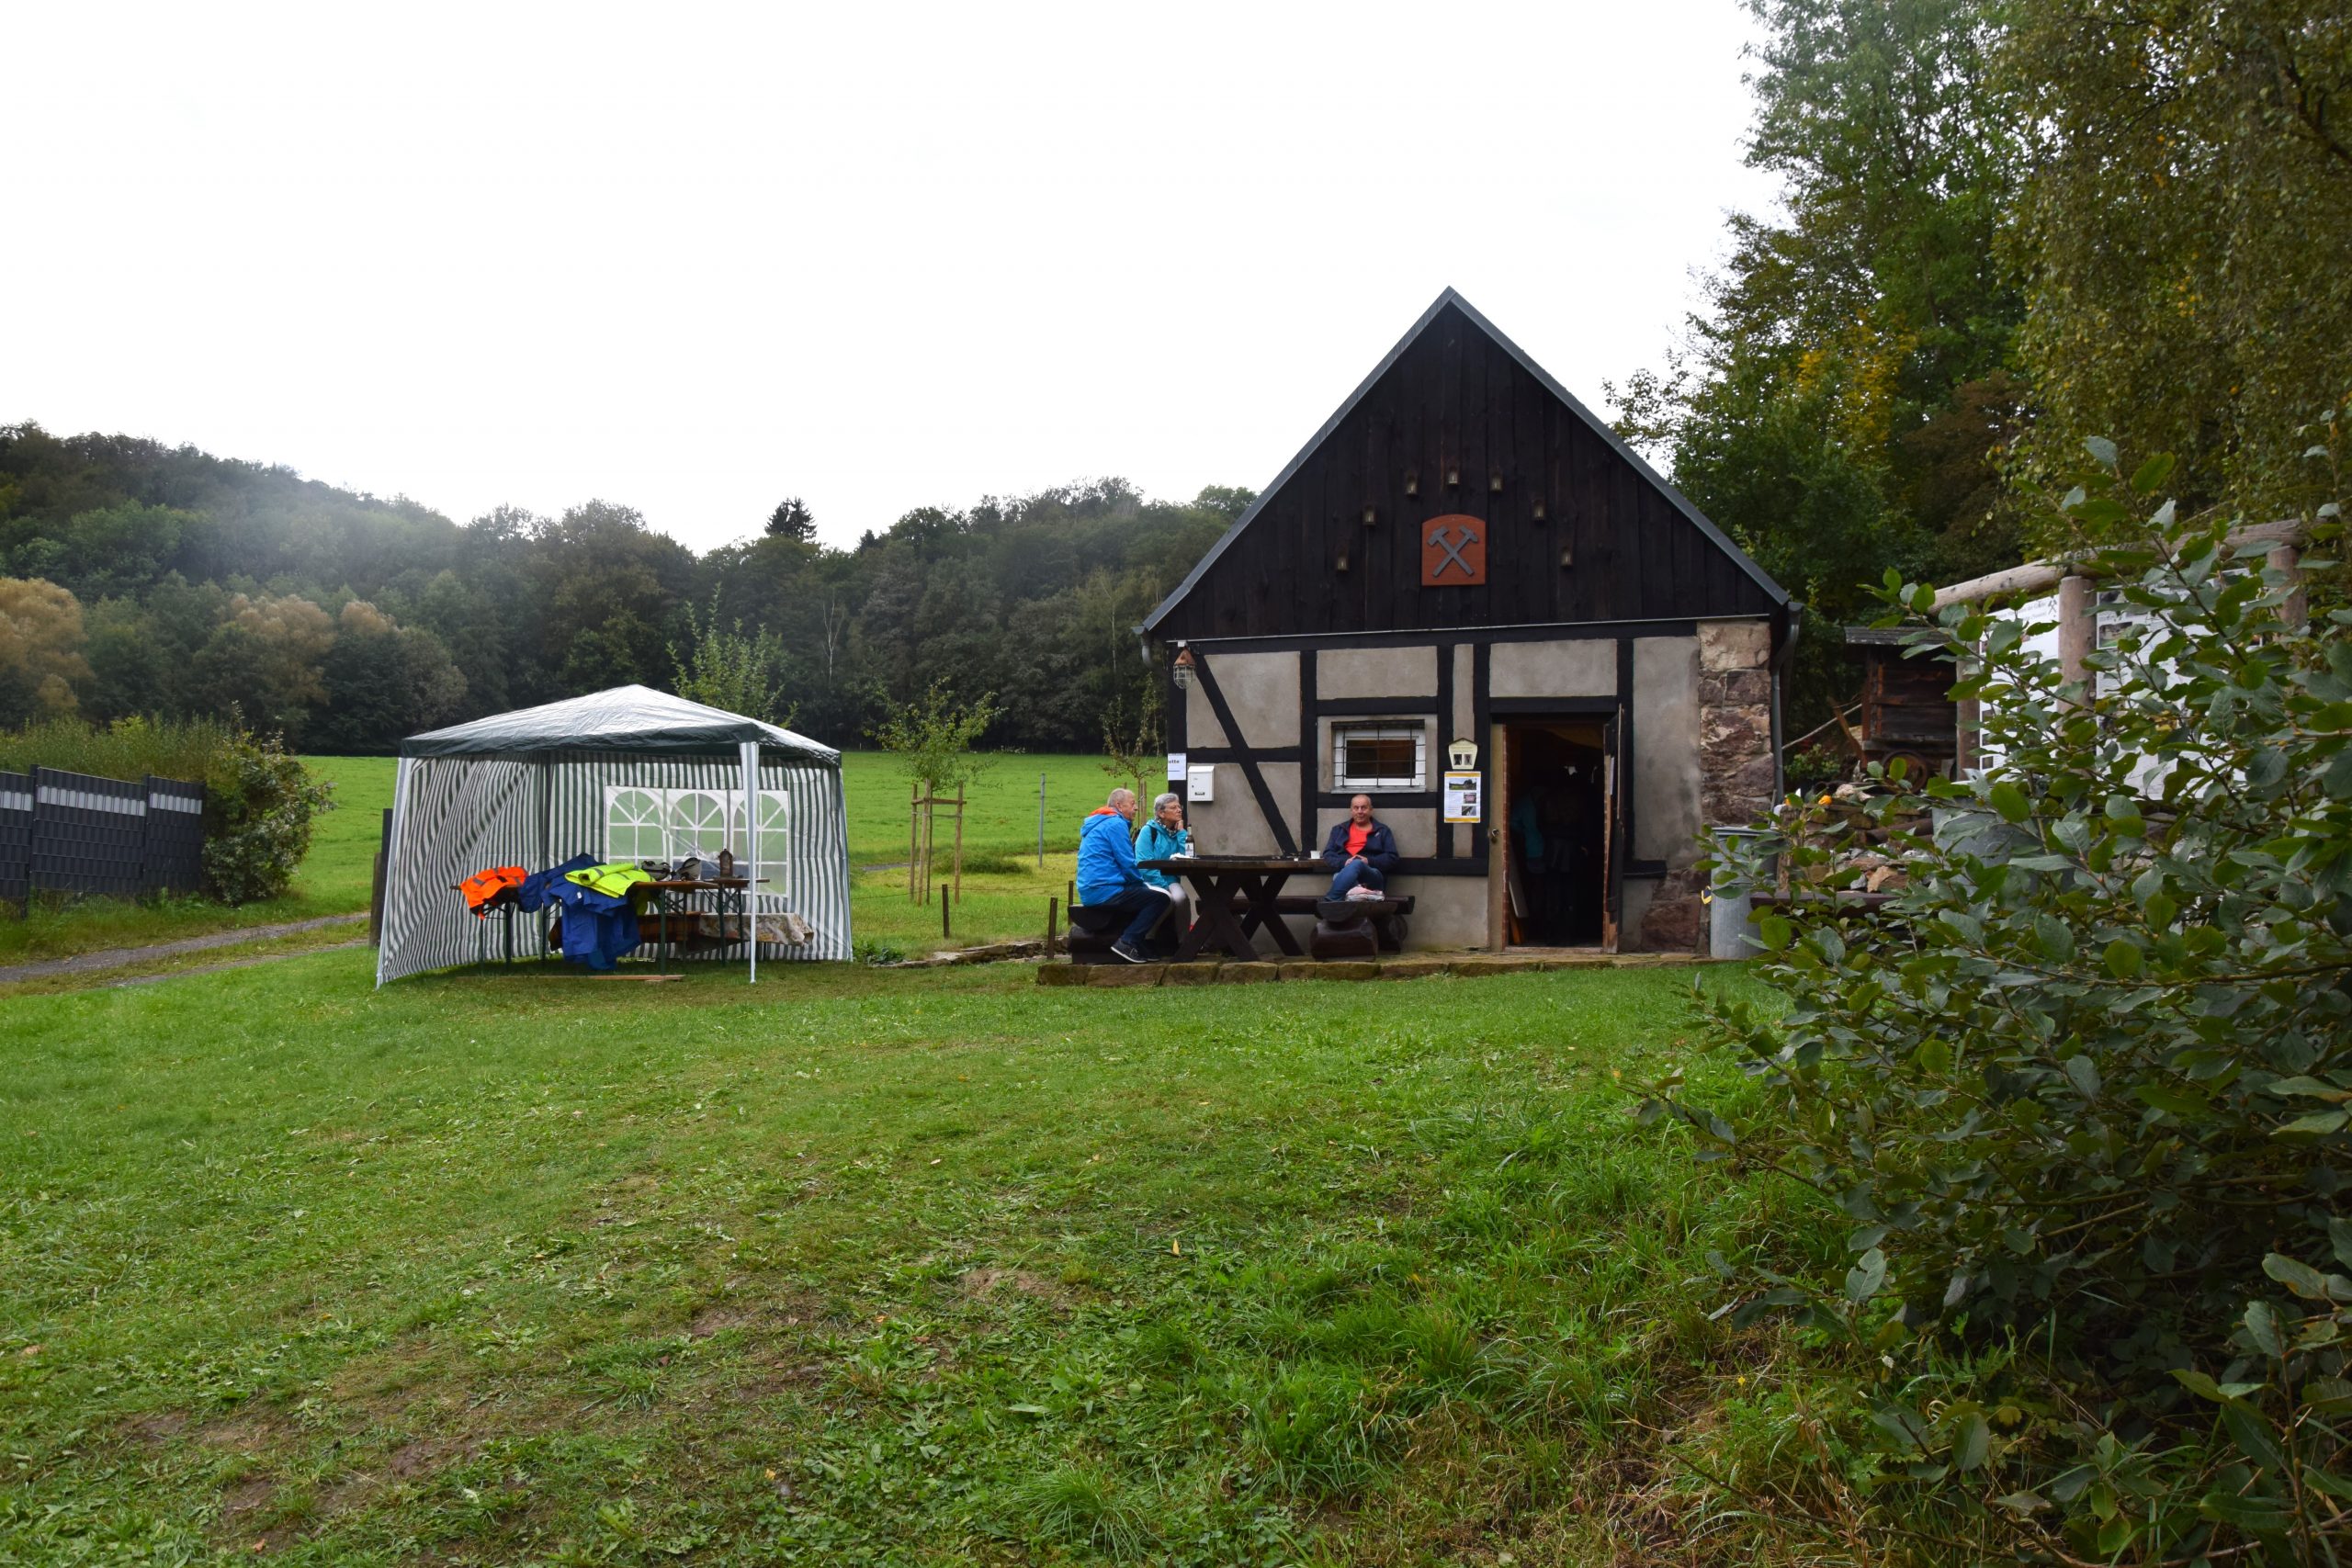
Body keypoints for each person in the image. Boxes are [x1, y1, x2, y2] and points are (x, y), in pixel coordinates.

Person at [1077, 788, 1182, 964]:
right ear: (1119, 805)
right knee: (1160, 899)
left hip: (1091, 889)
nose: (1136, 808)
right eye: (1133, 804)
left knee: (1148, 895)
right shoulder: (1115, 824)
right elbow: (1127, 863)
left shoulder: (1100, 823)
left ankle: (1140, 946)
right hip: (1105, 891)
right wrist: (1141, 885)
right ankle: (1128, 942)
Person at [1134, 793, 1193, 952]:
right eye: (1173, 807)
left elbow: (1187, 858)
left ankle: (1185, 943)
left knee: (1181, 898)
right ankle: (1147, 939)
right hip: (1150, 880)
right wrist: (1164, 886)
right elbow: (1144, 865)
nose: (1179, 810)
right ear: (1161, 813)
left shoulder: (1178, 833)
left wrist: (1181, 834)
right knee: (1166, 899)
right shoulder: (1148, 831)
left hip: (1171, 879)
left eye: (1179, 806)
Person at [1321, 794, 1398, 899]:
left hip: (1373, 876)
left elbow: (1392, 857)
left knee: (1355, 864)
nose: (1360, 811)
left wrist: (1369, 861)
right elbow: (1328, 854)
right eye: (1356, 808)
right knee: (1338, 876)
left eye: (1364, 808)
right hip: (1346, 874)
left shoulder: (1382, 830)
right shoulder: (1339, 830)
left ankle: (1331, 899)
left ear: (1371, 810)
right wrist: (1345, 862)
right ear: (1351, 810)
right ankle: (1362, 892)